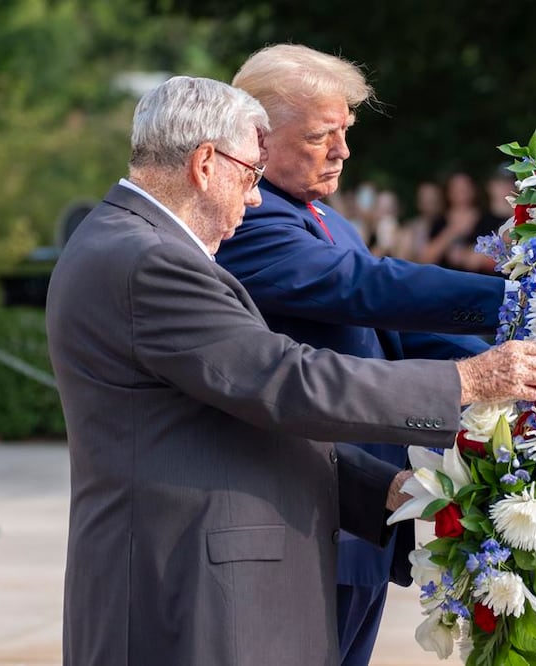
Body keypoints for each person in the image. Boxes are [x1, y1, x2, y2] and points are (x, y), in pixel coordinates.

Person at [45, 75, 536, 666]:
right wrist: (467, 381)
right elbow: (283, 381)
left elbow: (231, 414)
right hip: (188, 591)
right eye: (250, 173)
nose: (257, 196)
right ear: (205, 163)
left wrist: (382, 489)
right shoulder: (149, 259)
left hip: (210, 582)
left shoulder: (139, 243)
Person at [214, 45, 511, 666]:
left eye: (345, 132)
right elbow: (369, 288)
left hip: (366, 512)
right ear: (258, 137)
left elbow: (399, 337)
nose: (342, 151)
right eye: (323, 135)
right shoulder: (253, 221)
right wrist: (513, 295)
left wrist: (519, 352)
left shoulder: (323, 216)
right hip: (310, 509)